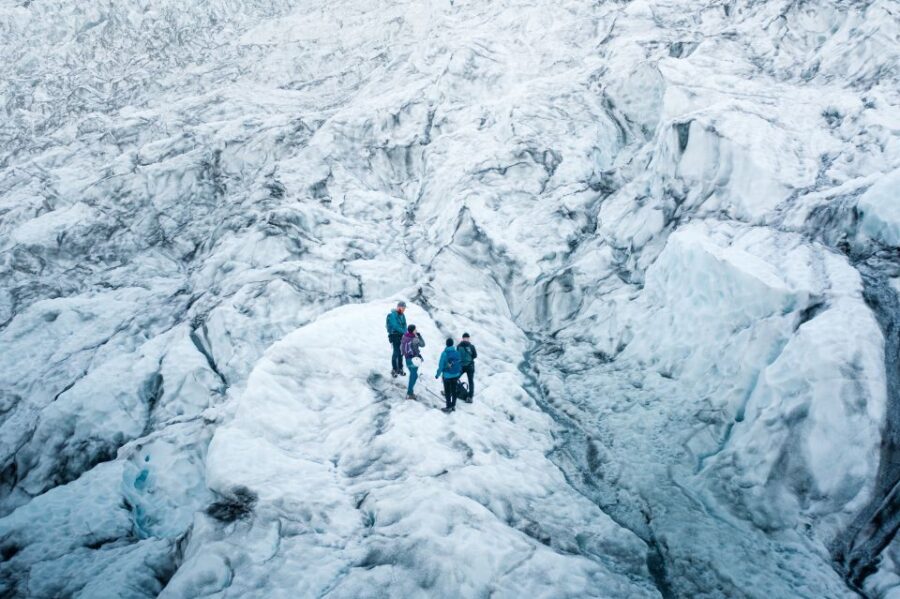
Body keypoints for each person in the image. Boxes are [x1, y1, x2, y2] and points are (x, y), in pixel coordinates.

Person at [435, 338, 462, 413]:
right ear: (452, 344)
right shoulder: (457, 352)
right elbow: (460, 363)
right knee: (454, 391)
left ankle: (448, 407)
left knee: (447, 391)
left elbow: (441, 366)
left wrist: (437, 375)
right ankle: (453, 406)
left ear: (446, 344)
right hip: (455, 375)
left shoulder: (444, 353)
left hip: (447, 376)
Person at [400, 325, 425, 400]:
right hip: (414, 360)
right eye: (415, 329)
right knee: (413, 376)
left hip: (407, 359)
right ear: (413, 330)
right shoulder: (415, 339)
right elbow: (423, 344)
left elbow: (401, 347)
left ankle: (410, 392)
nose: (416, 330)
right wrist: (420, 336)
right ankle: (409, 393)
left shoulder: (404, 337)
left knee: (414, 375)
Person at [385, 301, 407, 377]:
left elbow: (405, 325)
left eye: (404, 308)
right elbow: (395, 325)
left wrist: (405, 332)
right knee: (396, 352)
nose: (403, 309)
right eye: (402, 308)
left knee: (401, 352)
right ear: (398, 307)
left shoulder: (402, 315)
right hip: (394, 335)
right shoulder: (392, 315)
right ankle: (394, 369)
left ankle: (400, 368)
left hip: (401, 336)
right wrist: (404, 331)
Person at [456, 332, 478, 403]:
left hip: (465, 366)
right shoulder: (470, 346)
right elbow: (474, 356)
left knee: (469, 381)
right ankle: (469, 397)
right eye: (465, 338)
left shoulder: (460, 346)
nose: (466, 339)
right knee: (470, 381)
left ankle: (469, 397)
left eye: (467, 338)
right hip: (468, 366)